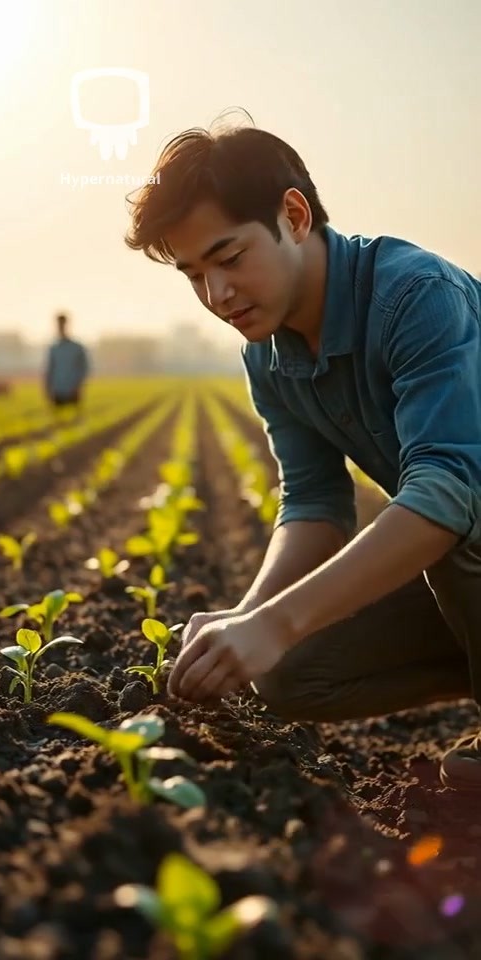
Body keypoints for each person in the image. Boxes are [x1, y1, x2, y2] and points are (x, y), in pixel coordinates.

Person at [124, 114, 481, 792]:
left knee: (459, 527)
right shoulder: (269, 355)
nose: (216, 295)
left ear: (294, 215)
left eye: (229, 260)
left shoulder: (416, 297)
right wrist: (253, 617)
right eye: (193, 275)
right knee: (287, 671)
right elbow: (314, 501)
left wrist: (278, 620)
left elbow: (449, 492)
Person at [44, 313, 90, 407]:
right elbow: (49, 370)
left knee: (74, 420)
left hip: (73, 392)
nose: (61, 327)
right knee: (58, 420)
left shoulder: (77, 348)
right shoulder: (54, 348)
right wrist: (47, 390)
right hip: (57, 392)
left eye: (62, 324)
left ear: (67, 325)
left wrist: (78, 387)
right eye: (59, 324)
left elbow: (84, 369)